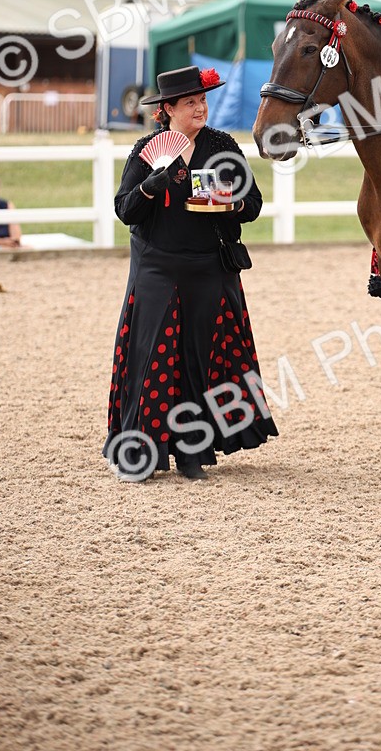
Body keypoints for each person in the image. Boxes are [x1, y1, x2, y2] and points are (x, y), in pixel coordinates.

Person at [103, 65, 278, 481]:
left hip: (208, 267)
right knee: (151, 357)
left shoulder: (222, 146)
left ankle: (192, 452)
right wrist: (153, 184)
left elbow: (253, 204)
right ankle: (140, 450)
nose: (200, 108)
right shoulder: (147, 150)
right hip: (157, 266)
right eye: (190, 103)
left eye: (202, 100)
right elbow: (125, 209)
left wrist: (230, 202)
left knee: (201, 359)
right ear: (167, 110)